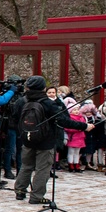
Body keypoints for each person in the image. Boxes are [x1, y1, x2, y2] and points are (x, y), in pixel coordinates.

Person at [13, 76, 93, 204]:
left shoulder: (21, 101)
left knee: (26, 165)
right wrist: (84, 126)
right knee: (43, 169)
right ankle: (36, 196)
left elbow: (15, 119)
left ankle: (20, 190)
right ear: (43, 88)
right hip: (46, 140)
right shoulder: (48, 103)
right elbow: (64, 121)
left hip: (27, 138)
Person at [64, 104, 87, 172]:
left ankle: (76, 164)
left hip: (80, 137)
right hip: (72, 137)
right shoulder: (69, 118)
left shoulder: (81, 118)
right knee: (71, 152)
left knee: (77, 152)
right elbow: (67, 128)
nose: (76, 111)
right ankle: (71, 164)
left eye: (77, 109)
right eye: (74, 110)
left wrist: (83, 128)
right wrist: (77, 129)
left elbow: (84, 126)